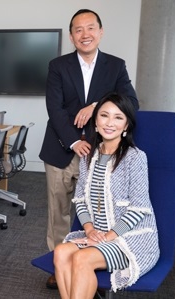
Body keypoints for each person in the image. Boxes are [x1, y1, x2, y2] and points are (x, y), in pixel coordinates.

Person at [38, 9, 139, 289]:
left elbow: (131, 102)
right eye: (79, 30)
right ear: (71, 36)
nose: (85, 34)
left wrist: (96, 106)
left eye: (91, 28)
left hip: (100, 152)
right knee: (58, 210)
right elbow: (54, 109)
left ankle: (90, 259)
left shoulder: (115, 66)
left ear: (101, 32)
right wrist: (73, 141)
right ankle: (58, 264)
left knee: (96, 208)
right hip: (62, 148)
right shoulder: (58, 66)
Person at [53, 93, 159, 298]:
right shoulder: (88, 156)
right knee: (61, 252)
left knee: (82, 259)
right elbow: (80, 200)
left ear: (126, 125)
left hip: (130, 239)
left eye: (118, 117)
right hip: (98, 234)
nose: (110, 123)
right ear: (95, 122)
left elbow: (138, 208)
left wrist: (106, 238)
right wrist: (90, 230)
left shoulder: (135, 157)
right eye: (104, 115)